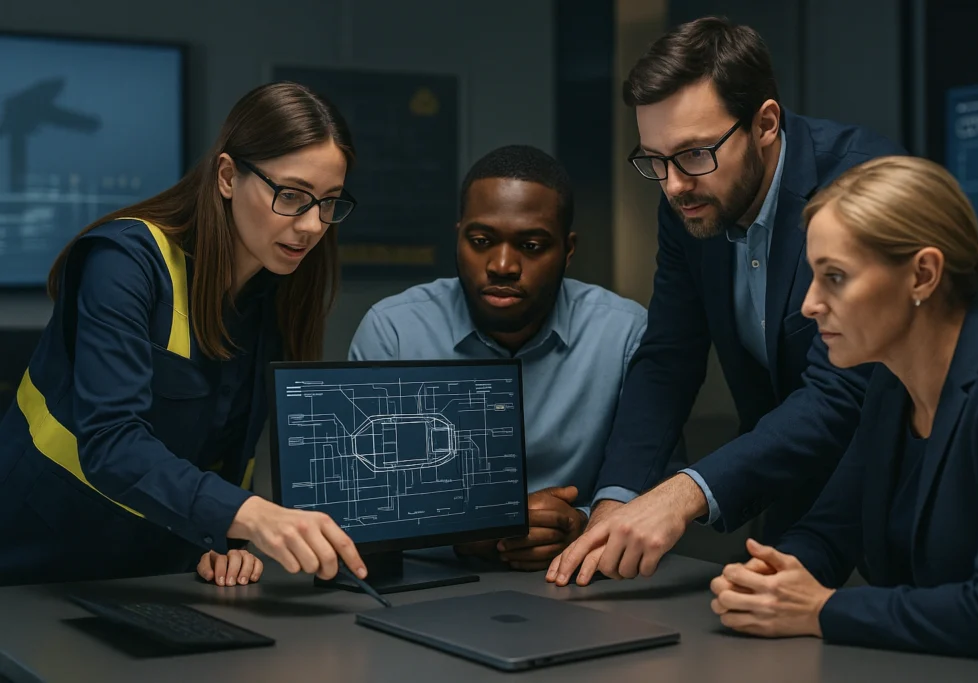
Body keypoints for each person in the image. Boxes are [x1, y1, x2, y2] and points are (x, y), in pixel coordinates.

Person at [548, 16, 906, 587]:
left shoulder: (862, 185)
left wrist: (682, 493)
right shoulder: (689, 199)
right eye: (655, 159)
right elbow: (669, 358)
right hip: (789, 486)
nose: (673, 185)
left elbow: (842, 391)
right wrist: (618, 499)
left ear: (765, 123)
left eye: (694, 153)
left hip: (896, 490)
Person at [0, 82, 369, 588]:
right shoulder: (125, 263)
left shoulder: (279, 290)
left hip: (154, 574)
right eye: (290, 195)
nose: (311, 226)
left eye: (329, 202)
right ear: (227, 176)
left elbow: (229, 452)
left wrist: (224, 544)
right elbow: (112, 443)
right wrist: (246, 514)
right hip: (37, 563)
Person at [708, 156, 978, 661]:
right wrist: (770, 578)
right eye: (813, 276)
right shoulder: (890, 382)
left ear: (923, 274)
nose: (809, 304)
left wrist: (820, 610)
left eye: (835, 277)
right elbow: (829, 533)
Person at [349, 145, 647, 570]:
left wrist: (586, 524)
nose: (503, 265)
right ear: (458, 238)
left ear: (568, 250)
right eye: (481, 241)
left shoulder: (624, 335)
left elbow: (657, 482)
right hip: (428, 584)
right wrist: (463, 527)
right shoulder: (393, 332)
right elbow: (360, 499)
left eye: (531, 245)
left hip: (582, 580)